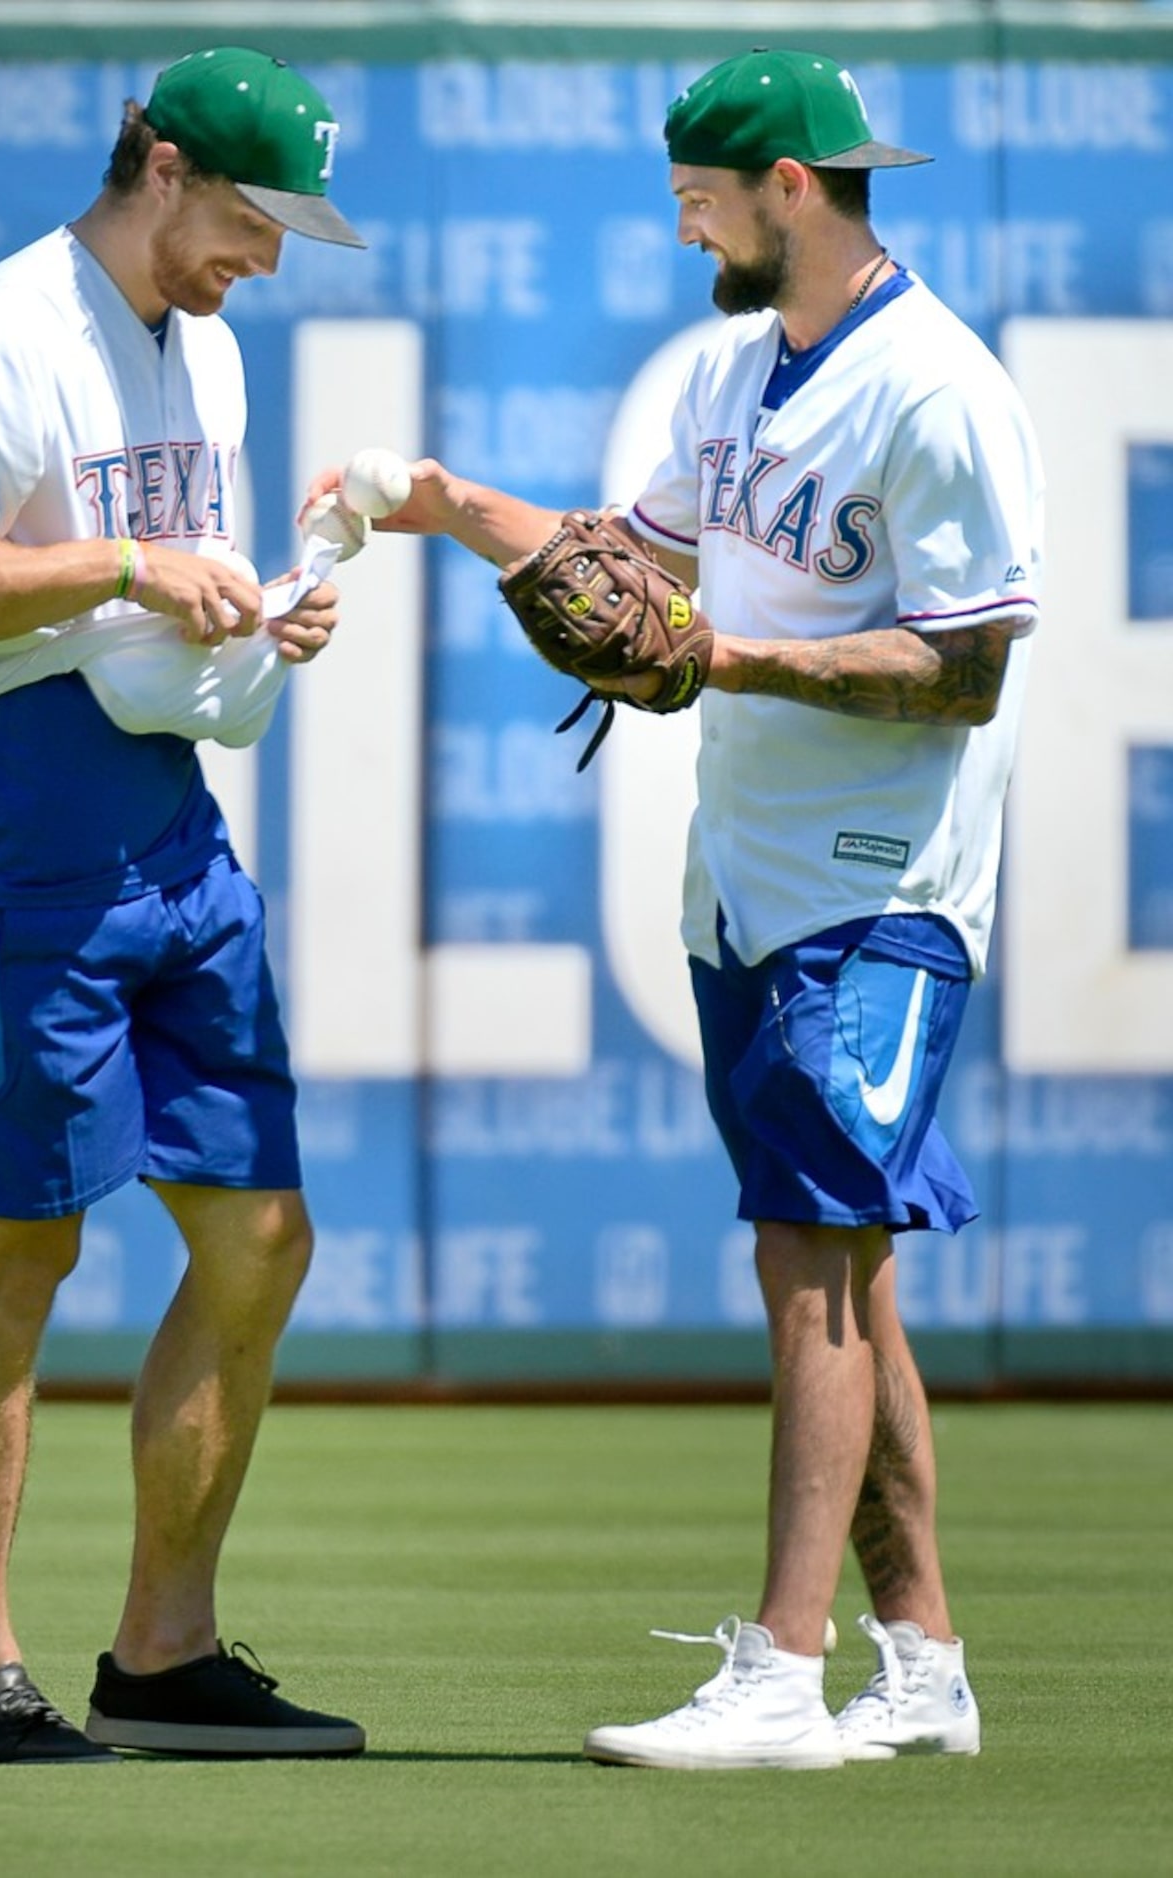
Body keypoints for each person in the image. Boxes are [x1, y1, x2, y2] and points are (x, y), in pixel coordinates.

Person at [345, 47, 1041, 1769]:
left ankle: (780, 1675)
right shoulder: (737, 373)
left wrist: (735, 654)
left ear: (789, 188)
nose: (685, 228)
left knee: (815, 1258)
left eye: (701, 198)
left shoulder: (939, 390)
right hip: (748, 876)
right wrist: (454, 510)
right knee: (843, 1274)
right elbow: (633, 560)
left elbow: (962, 664)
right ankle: (926, 1659)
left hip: (884, 890)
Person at [0, 46, 368, 1765]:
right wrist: (138, 563)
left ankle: (163, 1651)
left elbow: (158, 613)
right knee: (21, 1252)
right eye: (248, 216)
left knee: (262, 1233)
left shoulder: (204, 348)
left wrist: (256, 615)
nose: (267, 260)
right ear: (158, 165)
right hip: (16, 831)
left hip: (169, 826)